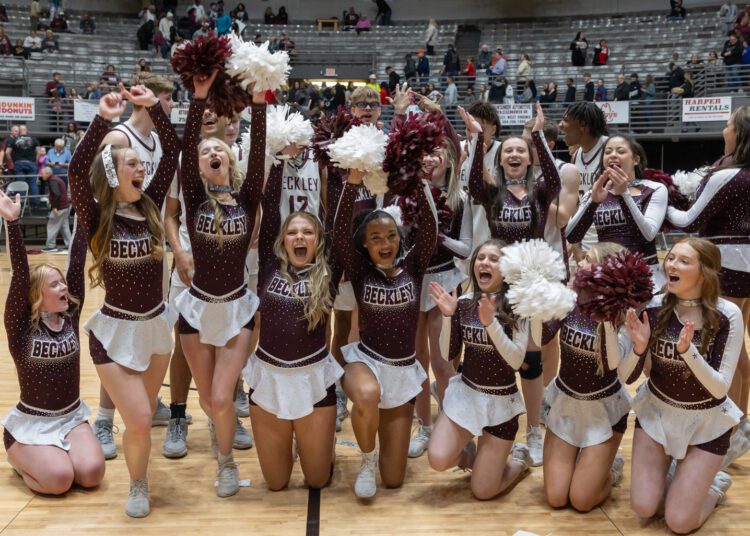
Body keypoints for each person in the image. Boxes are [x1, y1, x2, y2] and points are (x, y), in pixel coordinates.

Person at [68, 84, 179, 517]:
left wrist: (153, 108)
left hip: (156, 328)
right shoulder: (98, 216)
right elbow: (77, 171)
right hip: (113, 331)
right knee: (138, 419)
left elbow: (172, 152)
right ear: (114, 174)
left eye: (140, 163)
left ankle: (139, 475)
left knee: (143, 417)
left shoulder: (150, 206)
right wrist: (101, 119)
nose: (141, 167)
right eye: (131, 163)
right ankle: (136, 485)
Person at [175, 72, 265, 498]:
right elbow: (188, 144)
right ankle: (220, 438)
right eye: (205, 151)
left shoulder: (246, 198)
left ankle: (227, 464)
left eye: (219, 151)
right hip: (196, 310)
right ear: (196, 166)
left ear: (229, 161)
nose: (212, 152)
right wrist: (198, 98)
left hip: (236, 308)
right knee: (209, 401)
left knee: (222, 397)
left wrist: (260, 103)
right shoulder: (194, 198)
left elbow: (259, 154)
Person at [333, 147, 436, 498]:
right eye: (375, 238)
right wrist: (353, 183)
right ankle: (366, 460)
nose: (385, 243)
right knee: (367, 394)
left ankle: (380, 457)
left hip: (402, 370)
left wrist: (418, 180)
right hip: (367, 362)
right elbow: (339, 233)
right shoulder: (360, 270)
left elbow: (431, 228)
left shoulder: (414, 267)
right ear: (364, 244)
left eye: (391, 236)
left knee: (393, 479)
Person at [619, 238, 739, 533]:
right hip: (657, 414)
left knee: (679, 522)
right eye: (671, 258)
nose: (671, 265)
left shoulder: (727, 315)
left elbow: (720, 389)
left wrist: (689, 353)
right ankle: (678, 475)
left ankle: (714, 486)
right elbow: (627, 378)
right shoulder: (653, 307)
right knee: (644, 508)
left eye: (684, 261)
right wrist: (639, 348)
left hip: (706, 423)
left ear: (705, 272)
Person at [243, 144, 343, 490]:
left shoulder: (328, 271)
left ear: (318, 240)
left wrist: (352, 183)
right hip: (268, 378)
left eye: (308, 232)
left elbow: (340, 222)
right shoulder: (270, 266)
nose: (299, 237)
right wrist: (279, 159)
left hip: (313, 379)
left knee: (317, 481)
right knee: (276, 483)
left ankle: (319, 442)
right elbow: (270, 206)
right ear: (283, 240)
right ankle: (300, 438)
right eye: (292, 232)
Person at [467, 103, 560, 466]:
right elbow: (473, 181)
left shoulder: (540, 191)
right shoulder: (492, 192)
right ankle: (496, 426)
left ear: (529, 157)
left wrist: (537, 135)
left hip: (531, 286)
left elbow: (554, 180)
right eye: (508, 151)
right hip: (498, 285)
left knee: (531, 361)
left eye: (521, 150)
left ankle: (534, 431)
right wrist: (478, 140)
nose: (515, 154)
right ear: (501, 160)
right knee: (499, 357)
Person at [0, 188, 104, 495]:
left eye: (62, 282)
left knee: (92, 474)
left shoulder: (70, 314)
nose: (64, 288)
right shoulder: (21, 327)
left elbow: (77, 260)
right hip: (33, 422)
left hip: (71, 417)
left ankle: (56, 455)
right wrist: (12, 223)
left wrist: (84, 216)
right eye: (55, 284)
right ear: (37, 295)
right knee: (59, 480)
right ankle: (19, 458)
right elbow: (20, 275)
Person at [665, 106, 750, 467]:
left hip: (725, 265)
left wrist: (663, 201)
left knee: (726, 350)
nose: (724, 130)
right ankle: (740, 424)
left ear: (739, 133)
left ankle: (728, 430)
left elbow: (689, 221)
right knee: (739, 348)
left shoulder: (728, 175)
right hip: (745, 266)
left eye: (728, 124)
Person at [427, 239, 533, 498]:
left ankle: (519, 461)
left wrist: (491, 324)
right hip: (468, 396)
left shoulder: (518, 308)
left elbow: (516, 361)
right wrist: (449, 317)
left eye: (494, 259)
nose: (485, 263)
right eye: (481, 258)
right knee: (438, 459)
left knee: (483, 491)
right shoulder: (464, 303)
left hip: (501, 404)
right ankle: (474, 457)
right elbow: (448, 354)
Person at [533, 242, 629, 511]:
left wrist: (605, 319)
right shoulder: (570, 300)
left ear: (607, 272)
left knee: (582, 501)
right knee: (556, 498)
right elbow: (541, 339)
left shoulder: (624, 313)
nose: (580, 263)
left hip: (603, 410)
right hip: (566, 403)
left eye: (588, 259)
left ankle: (609, 471)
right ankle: (583, 461)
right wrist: (536, 309)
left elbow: (613, 364)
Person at [406, 101, 469, 458]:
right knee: (417, 360)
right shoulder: (410, 193)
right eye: (426, 154)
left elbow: (466, 249)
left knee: (443, 362)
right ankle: (424, 426)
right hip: (415, 278)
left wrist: (438, 236)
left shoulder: (459, 197)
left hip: (446, 278)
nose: (431, 159)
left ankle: (449, 422)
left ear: (449, 158)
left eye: (438, 153)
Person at [566, 135, 667, 288]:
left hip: (644, 276)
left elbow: (647, 235)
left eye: (620, 151)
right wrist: (593, 202)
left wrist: (624, 195)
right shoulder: (595, 193)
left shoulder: (654, 189)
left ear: (636, 160)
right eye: (608, 152)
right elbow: (572, 236)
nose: (613, 155)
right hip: (607, 277)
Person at [558, 101, 609, 262]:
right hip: (585, 240)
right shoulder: (576, 155)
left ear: (583, 125)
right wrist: (576, 245)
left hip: (609, 242)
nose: (560, 125)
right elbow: (576, 205)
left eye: (566, 120)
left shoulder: (610, 150)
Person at [5, 125, 41, 207]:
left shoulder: (14, 140)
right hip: (30, 163)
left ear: (19, 131)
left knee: (20, 182)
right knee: (33, 183)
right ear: (26, 130)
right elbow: (39, 152)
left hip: (19, 163)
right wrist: (35, 161)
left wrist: (12, 162)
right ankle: (36, 203)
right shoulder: (34, 139)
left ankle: (21, 203)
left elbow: (7, 152)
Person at [39, 166, 71, 252]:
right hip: (65, 206)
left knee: (52, 226)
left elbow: (57, 194)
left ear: (47, 174)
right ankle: (70, 245)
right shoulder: (55, 178)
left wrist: (55, 207)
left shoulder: (53, 181)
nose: (41, 175)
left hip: (60, 207)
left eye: (42, 174)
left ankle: (51, 246)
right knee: (65, 227)